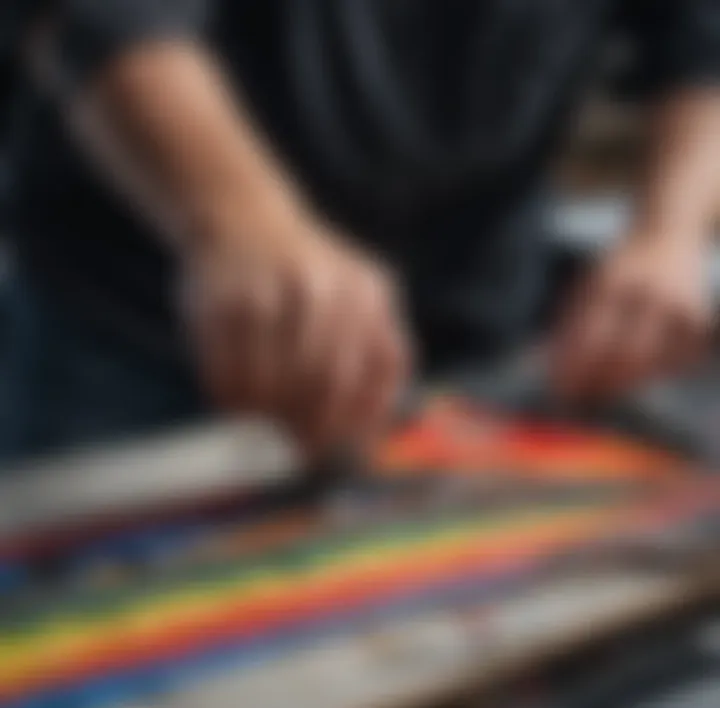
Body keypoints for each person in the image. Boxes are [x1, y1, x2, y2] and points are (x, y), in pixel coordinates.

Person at [0, 0, 718, 465]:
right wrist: (241, 222)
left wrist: (668, 237)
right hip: (136, 338)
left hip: (477, 338)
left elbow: (703, 44)